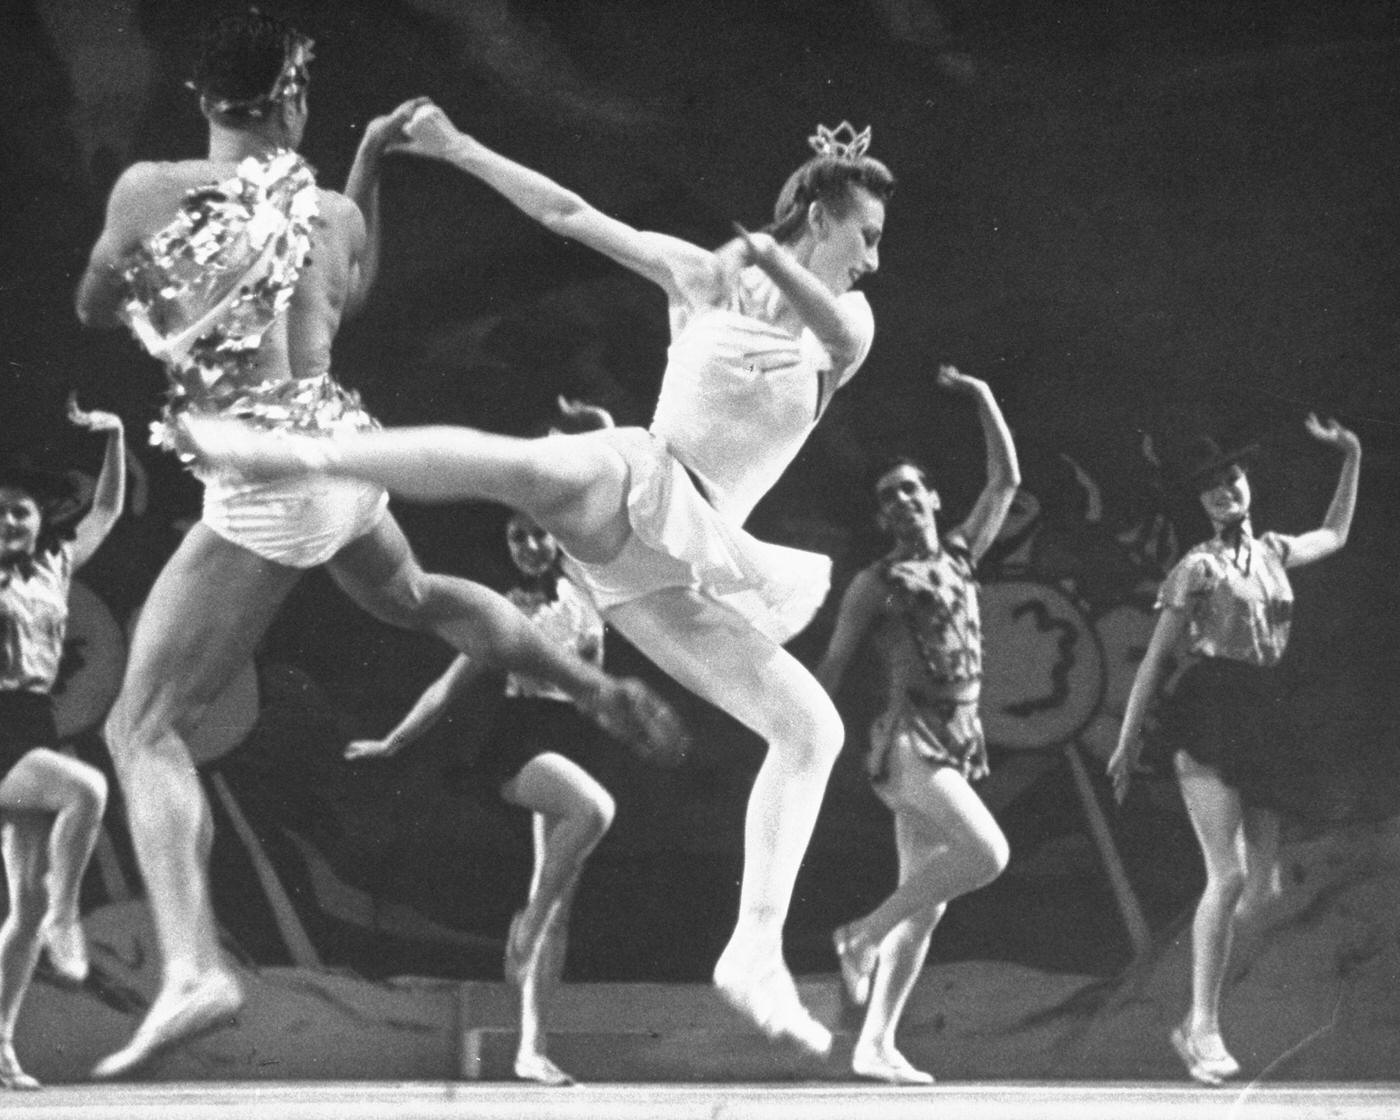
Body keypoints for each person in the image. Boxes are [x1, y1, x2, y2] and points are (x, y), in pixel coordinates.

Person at [180, 107, 896, 1054]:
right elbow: (568, 214)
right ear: (822, 213)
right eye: (867, 234)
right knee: (512, 466)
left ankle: (752, 952)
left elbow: (832, 328)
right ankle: (288, 454)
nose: (876, 258)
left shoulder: (843, 318)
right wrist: (455, 149)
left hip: (687, 561)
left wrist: (769, 256)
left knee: (813, 728)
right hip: (640, 482)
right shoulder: (700, 277)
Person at [72, 11, 677, 1079]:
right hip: (347, 442)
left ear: (203, 99)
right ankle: (576, 682)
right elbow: (344, 297)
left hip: (266, 470)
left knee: (142, 725)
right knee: (415, 595)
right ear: (294, 100)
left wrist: (160, 293)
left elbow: (92, 303)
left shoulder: (150, 190)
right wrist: (360, 167)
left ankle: (190, 967)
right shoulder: (335, 211)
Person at [348, 401, 677, 1085]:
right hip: (521, 744)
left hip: (578, 742)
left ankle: (532, 1045)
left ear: (554, 539)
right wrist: (392, 741)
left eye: (537, 536)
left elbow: (613, 496)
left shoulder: (588, 590)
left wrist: (600, 424)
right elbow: (446, 689)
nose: (528, 546)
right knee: (592, 814)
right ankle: (524, 922)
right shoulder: (508, 613)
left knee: (562, 902)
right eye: (516, 538)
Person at [1107, 414, 1361, 1085]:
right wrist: (1128, 741)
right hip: (1210, 709)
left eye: (1232, 480)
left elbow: (1334, 533)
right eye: (1211, 490)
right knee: (1229, 875)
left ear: (1246, 484)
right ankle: (1203, 1024)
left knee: (1265, 892)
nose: (1225, 493)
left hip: (1265, 712)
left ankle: (1199, 1005)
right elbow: (1157, 661)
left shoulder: (1276, 551)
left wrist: (1353, 456)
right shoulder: (1196, 567)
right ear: (1199, 503)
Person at [813, 364, 1017, 1083]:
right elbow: (834, 665)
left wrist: (983, 396)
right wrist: (806, 743)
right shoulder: (877, 582)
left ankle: (876, 1043)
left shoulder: (962, 555)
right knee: (988, 856)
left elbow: (1005, 484)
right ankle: (860, 936)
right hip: (906, 743)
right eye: (886, 496)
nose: (900, 500)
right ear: (882, 517)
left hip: (957, 742)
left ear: (931, 498)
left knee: (925, 905)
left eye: (910, 488)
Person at [1, 398, 127, 1090]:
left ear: (36, 517)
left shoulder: (55, 561)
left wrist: (115, 436)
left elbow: (104, 512)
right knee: (88, 789)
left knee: (18, 908)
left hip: (29, 723)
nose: (7, 522)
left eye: (17, 510)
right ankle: (67, 917)